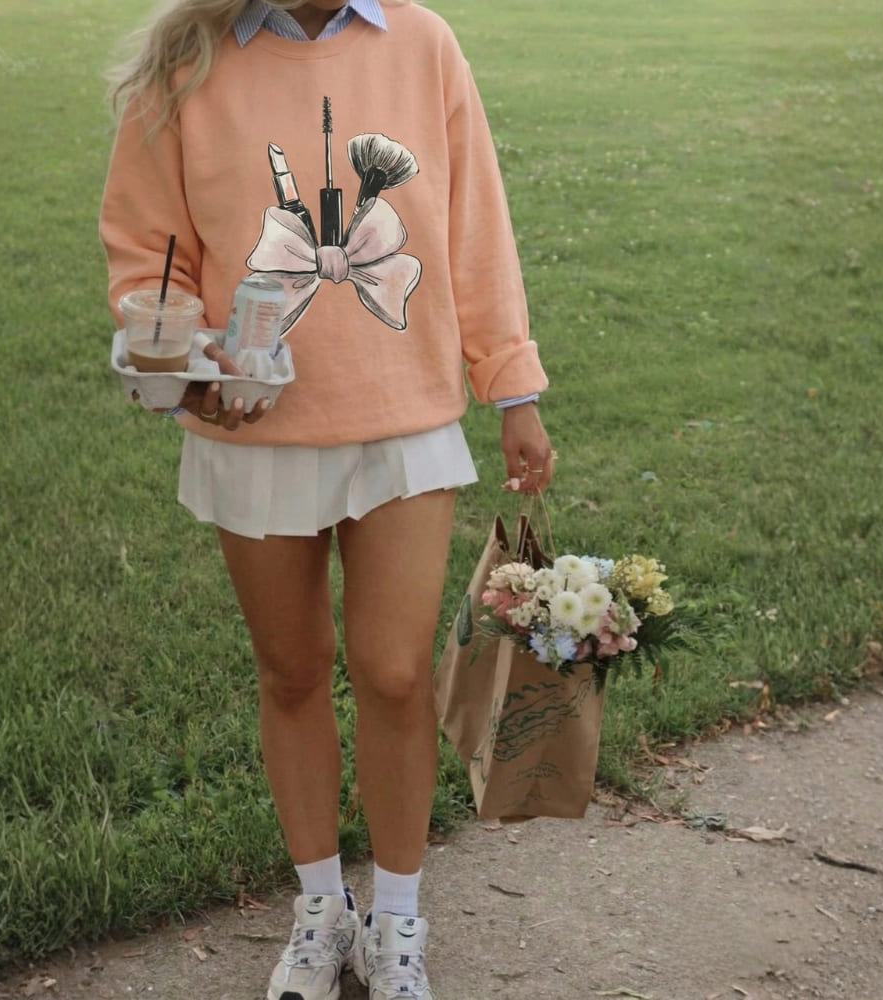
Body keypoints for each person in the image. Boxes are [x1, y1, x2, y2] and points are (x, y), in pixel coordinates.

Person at [100, 2, 554, 998]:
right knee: (293, 671)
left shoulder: (424, 42)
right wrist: (180, 364)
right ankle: (319, 909)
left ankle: (394, 920)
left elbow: (475, 223)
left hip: (403, 418)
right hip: (251, 428)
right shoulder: (188, 59)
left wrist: (511, 386)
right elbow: (144, 251)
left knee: (393, 673)